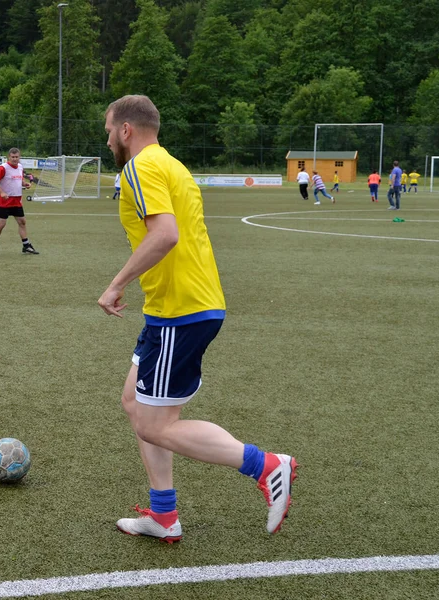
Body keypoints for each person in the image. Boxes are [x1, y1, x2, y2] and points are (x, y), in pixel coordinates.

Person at [100, 94, 296, 543]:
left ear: (126, 130)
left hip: (180, 310)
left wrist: (116, 283)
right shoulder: (173, 165)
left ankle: (267, 466)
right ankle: (163, 515)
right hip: (174, 308)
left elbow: (165, 234)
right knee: (134, 402)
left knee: (153, 425)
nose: (108, 139)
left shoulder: (140, 167)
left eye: (109, 130)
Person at [0, 148, 38, 256]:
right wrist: (1, 192)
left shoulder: (20, 167)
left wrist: (24, 184)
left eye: (16, 157)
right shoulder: (3, 168)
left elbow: (19, 180)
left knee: (22, 222)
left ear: (19, 157)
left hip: (16, 200)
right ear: (9, 157)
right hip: (5, 201)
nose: (15, 159)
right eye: (13, 157)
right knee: (2, 224)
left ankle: (26, 246)